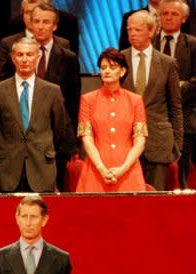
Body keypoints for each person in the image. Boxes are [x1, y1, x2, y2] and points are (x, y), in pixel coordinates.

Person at [0, 3, 80, 193]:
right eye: (36, 21)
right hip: (19, 140)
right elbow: (4, 94)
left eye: (46, 22)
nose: (40, 26)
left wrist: (71, 142)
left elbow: (72, 101)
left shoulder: (67, 57)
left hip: (55, 142)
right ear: (29, 23)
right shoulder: (18, 53)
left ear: (55, 26)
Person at [0, 38, 66, 193]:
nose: (24, 59)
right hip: (7, 170)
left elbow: (59, 131)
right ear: (13, 58)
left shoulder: (52, 91)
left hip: (41, 168)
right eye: (20, 55)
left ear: (38, 57)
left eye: (29, 54)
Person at [122, 10, 183, 191]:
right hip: (126, 143)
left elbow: (175, 106)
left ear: (152, 31)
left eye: (138, 30)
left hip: (158, 142)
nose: (132, 34)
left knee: (154, 200)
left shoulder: (167, 63)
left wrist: (177, 145)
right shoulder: (118, 60)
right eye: (129, 30)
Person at [76, 49, 147, 192]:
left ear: (122, 71)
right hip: (96, 170)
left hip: (128, 170)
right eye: (103, 68)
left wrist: (123, 168)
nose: (107, 71)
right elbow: (87, 140)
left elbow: (140, 141)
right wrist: (101, 168)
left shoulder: (135, 100)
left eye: (112, 67)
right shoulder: (88, 100)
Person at [153, 0, 196, 189]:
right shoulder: (149, 42)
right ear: (159, 17)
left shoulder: (193, 44)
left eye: (174, 14)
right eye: (165, 14)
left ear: (184, 19)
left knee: (182, 170)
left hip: (185, 116)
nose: (169, 17)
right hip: (154, 117)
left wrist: (175, 90)